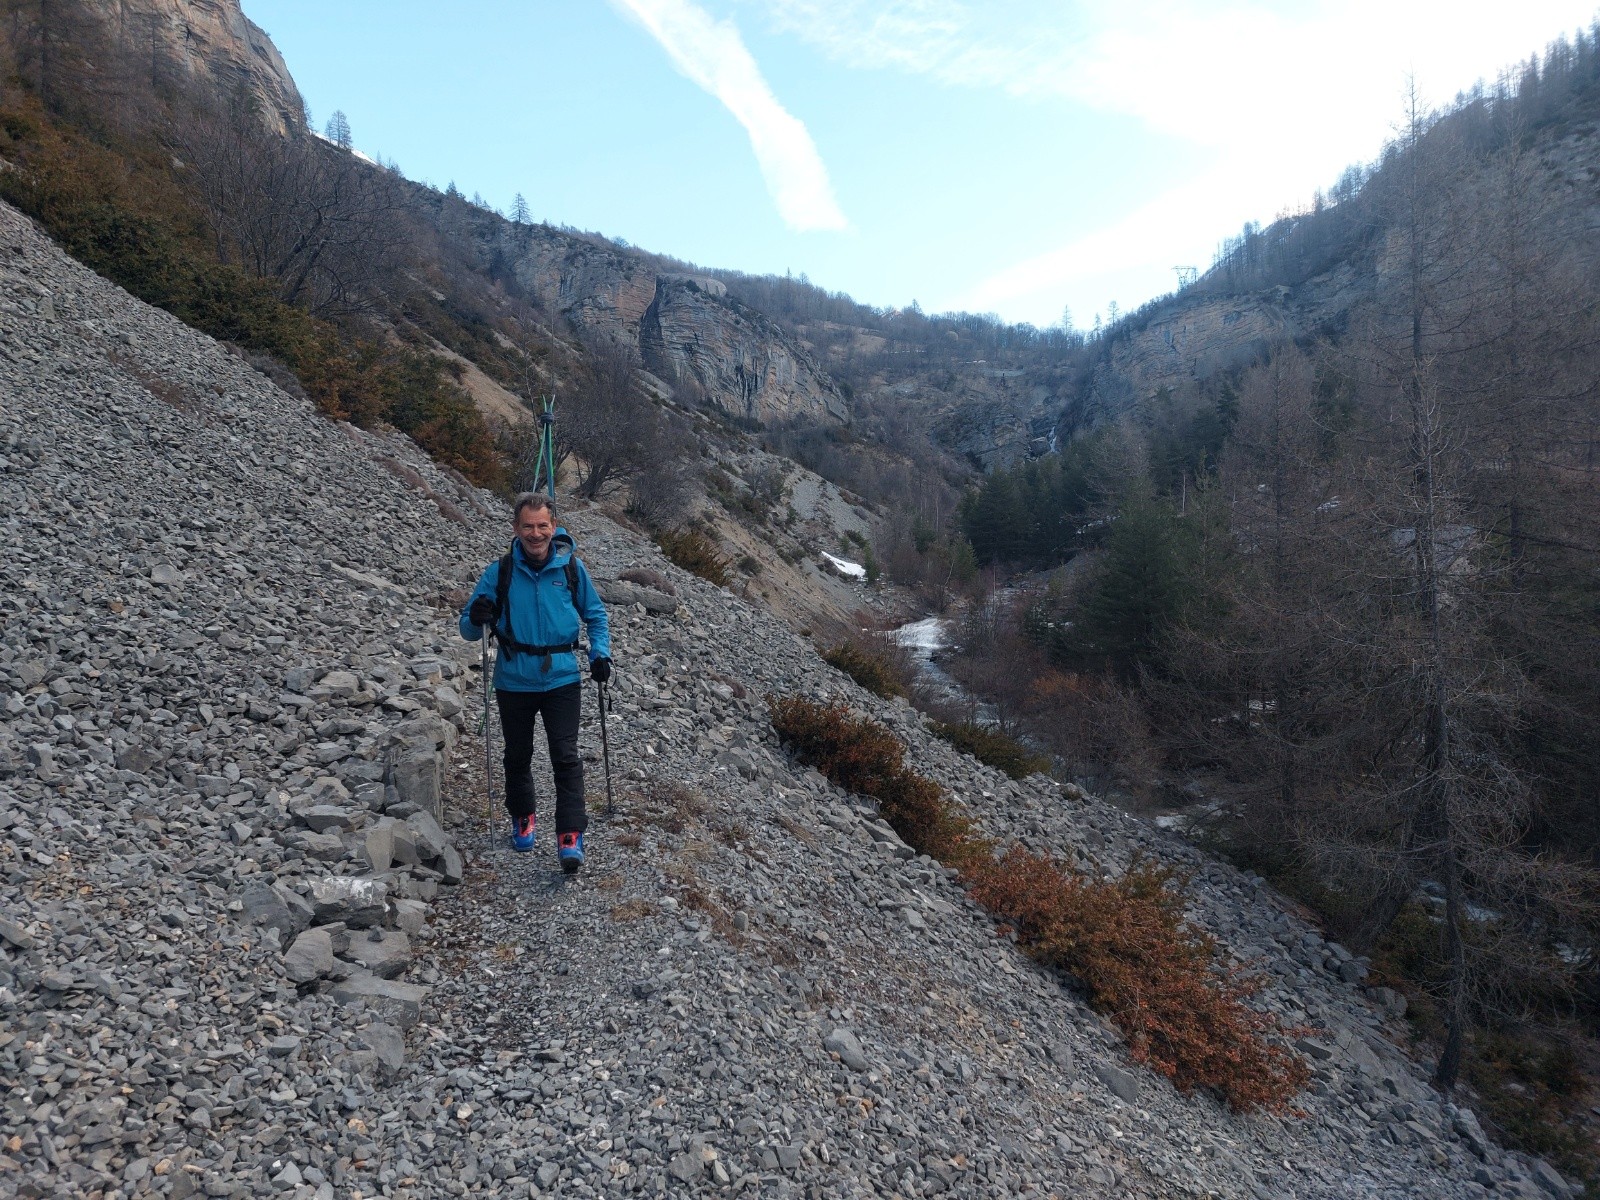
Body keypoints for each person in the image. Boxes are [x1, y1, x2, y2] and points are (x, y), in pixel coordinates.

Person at [460, 493, 611, 872]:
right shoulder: (500, 572)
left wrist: (600, 654)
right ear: (516, 529)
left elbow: (595, 615)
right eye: (527, 526)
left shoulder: (571, 568)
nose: (536, 533)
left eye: (543, 525)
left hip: (561, 676)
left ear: (554, 526)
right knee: (517, 755)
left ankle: (570, 835)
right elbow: (468, 628)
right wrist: (477, 614)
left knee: (565, 755)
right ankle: (523, 816)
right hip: (514, 679)